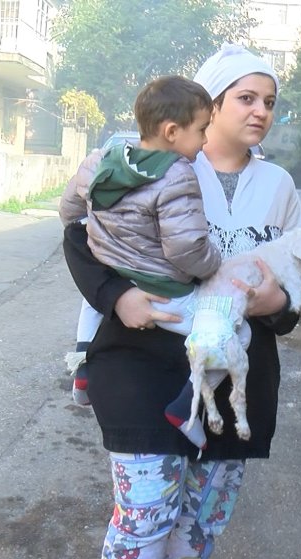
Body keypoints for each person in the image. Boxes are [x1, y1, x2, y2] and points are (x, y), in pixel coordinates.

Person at [62, 45, 301, 559]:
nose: (261, 110)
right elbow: (78, 238)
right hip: (142, 362)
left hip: (234, 380)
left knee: (196, 531)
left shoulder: (280, 186)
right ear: (208, 106)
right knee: (145, 520)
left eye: (269, 100)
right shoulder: (144, 164)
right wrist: (117, 295)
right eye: (246, 97)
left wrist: (277, 303)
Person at [61, 74, 230, 449]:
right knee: (232, 333)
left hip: (114, 275)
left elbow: (69, 210)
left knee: (92, 301)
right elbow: (186, 250)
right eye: (202, 130)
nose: (204, 141)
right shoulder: (176, 175)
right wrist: (214, 264)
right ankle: (188, 405)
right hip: (163, 293)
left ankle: (82, 365)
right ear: (172, 131)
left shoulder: (99, 162)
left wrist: (101, 233)